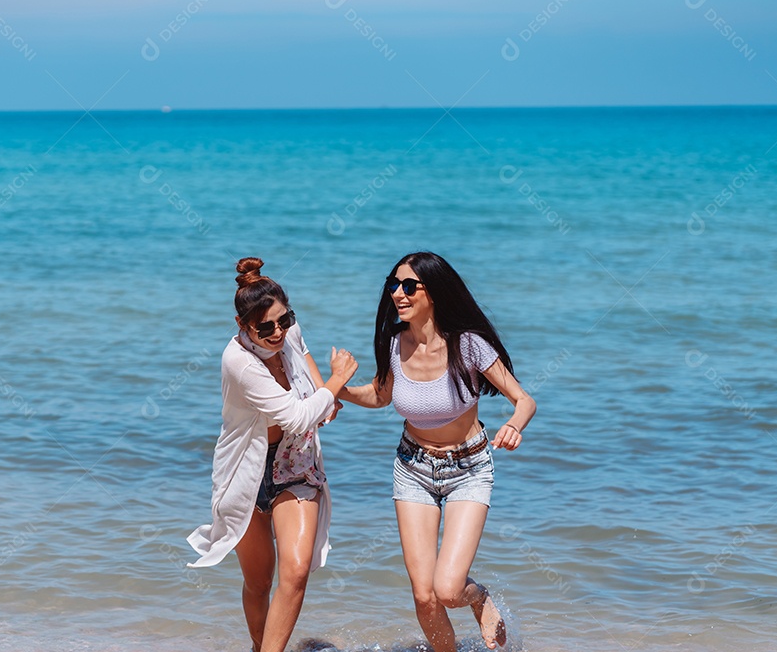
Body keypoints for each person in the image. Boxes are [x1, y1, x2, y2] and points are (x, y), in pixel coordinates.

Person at [339, 251, 536, 651]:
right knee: (424, 596)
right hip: (413, 467)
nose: (398, 293)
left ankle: (478, 597)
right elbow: (380, 396)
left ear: (435, 292)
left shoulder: (469, 345)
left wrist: (514, 425)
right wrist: (336, 391)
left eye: (409, 286)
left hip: (469, 467)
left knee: (447, 589)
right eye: (393, 285)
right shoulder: (395, 343)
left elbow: (524, 400)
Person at [187, 257, 359, 652]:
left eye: (285, 319)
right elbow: (297, 415)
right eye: (265, 328)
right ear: (243, 327)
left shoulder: (289, 331)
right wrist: (334, 384)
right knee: (260, 580)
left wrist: (325, 393)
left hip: (295, 463)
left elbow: (308, 365)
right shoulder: (238, 361)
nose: (278, 332)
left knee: (295, 573)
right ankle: (258, 646)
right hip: (245, 471)